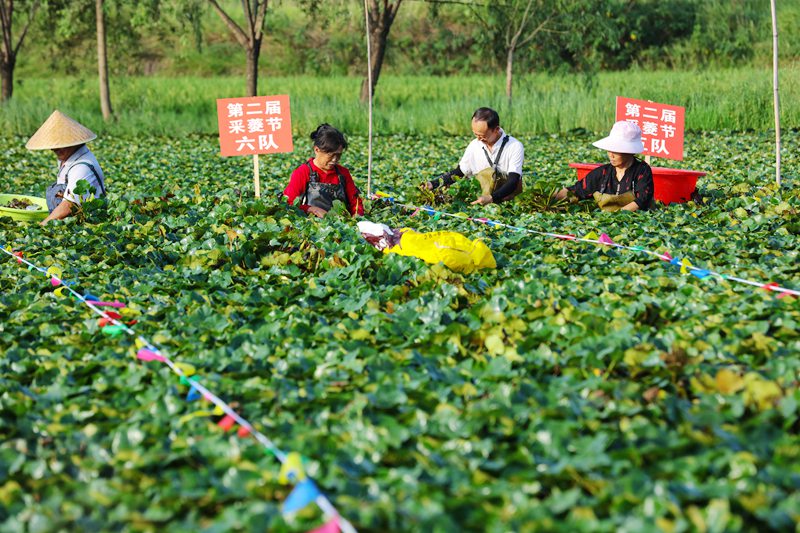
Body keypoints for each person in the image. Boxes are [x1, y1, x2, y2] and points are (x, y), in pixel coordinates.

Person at [424, 107, 524, 206]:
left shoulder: (514, 146)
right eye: (476, 134)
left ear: (496, 130)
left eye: (483, 136)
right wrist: (433, 184)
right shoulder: (474, 145)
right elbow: (459, 172)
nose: (479, 139)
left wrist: (492, 198)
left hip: (509, 202)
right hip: (480, 202)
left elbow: (513, 180)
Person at [25, 110, 107, 225]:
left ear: (74, 142)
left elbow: (68, 206)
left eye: (60, 145)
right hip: (66, 221)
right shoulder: (66, 158)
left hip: (85, 224)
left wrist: (42, 225)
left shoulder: (81, 167)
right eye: (54, 145)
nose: (54, 150)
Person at [555, 121, 654, 211]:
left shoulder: (642, 170)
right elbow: (576, 191)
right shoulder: (603, 173)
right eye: (609, 150)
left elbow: (642, 201)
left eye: (616, 151)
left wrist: (617, 216)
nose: (611, 155)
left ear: (629, 151)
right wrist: (547, 195)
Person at [283, 124, 364, 218]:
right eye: (330, 154)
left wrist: (357, 217)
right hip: (312, 225)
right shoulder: (303, 172)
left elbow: (356, 203)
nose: (334, 160)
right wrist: (312, 209)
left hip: (341, 225)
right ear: (317, 150)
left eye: (338, 155)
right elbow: (288, 204)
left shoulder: (343, 173)